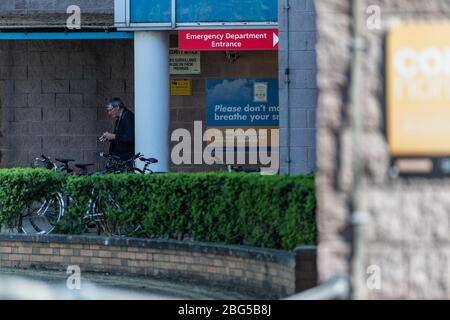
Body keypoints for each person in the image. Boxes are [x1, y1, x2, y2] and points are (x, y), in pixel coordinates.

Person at [99, 97, 135, 162]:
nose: (109, 113)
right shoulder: (119, 118)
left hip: (125, 158)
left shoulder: (128, 117)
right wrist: (109, 138)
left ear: (117, 107)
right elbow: (120, 137)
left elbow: (130, 138)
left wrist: (113, 136)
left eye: (110, 110)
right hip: (119, 157)